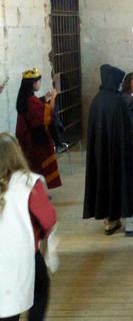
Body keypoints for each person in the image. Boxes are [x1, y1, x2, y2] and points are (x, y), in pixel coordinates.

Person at [83, 64, 133, 237]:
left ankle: (111, 221)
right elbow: (126, 128)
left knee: (107, 183)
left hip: (102, 155)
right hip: (121, 154)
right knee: (127, 183)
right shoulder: (117, 101)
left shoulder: (97, 101)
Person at [0, 133, 57, 321]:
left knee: (6, 307)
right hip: (23, 254)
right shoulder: (28, 182)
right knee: (39, 289)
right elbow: (48, 219)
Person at [15, 68, 62, 190]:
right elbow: (47, 115)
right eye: (39, 82)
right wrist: (53, 98)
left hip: (28, 138)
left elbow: (37, 107)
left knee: (32, 166)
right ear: (33, 83)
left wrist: (44, 98)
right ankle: (38, 193)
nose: (39, 84)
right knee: (40, 167)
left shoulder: (24, 97)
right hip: (37, 140)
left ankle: (35, 192)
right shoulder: (31, 100)